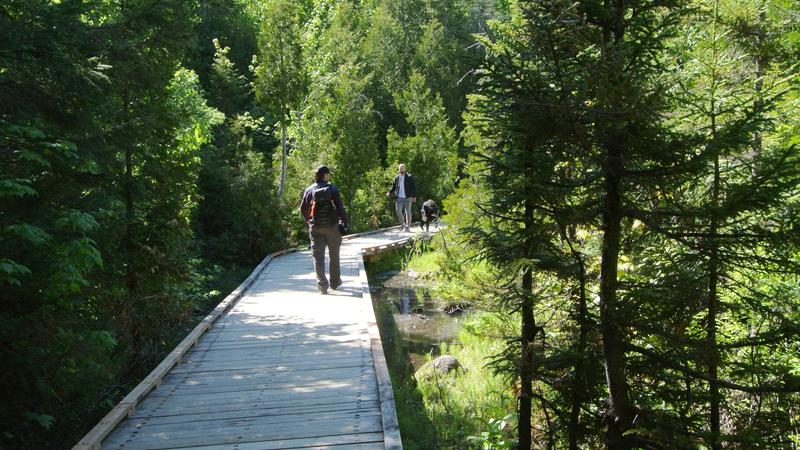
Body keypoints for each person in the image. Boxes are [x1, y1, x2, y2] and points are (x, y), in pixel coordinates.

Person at [300, 165, 348, 294]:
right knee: (334, 255)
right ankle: (335, 283)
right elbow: (340, 208)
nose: (329, 176)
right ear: (325, 175)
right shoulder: (332, 188)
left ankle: (322, 286)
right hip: (332, 227)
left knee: (318, 257)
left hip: (316, 227)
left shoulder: (309, 190)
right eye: (329, 174)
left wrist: (309, 220)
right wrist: (344, 222)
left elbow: (303, 208)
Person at [386, 163, 416, 232]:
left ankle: (408, 227)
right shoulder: (397, 177)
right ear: (399, 169)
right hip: (399, 197)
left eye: (402, 168)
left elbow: (414, 187)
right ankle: (403, 224)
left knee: (408, 212)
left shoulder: (409, 176)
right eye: (400, 168)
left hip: (408, 197)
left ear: (405, 169)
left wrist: (414, 196)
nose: (401, 170)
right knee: (398, 211)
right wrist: (389, 192)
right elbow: (394, 187)